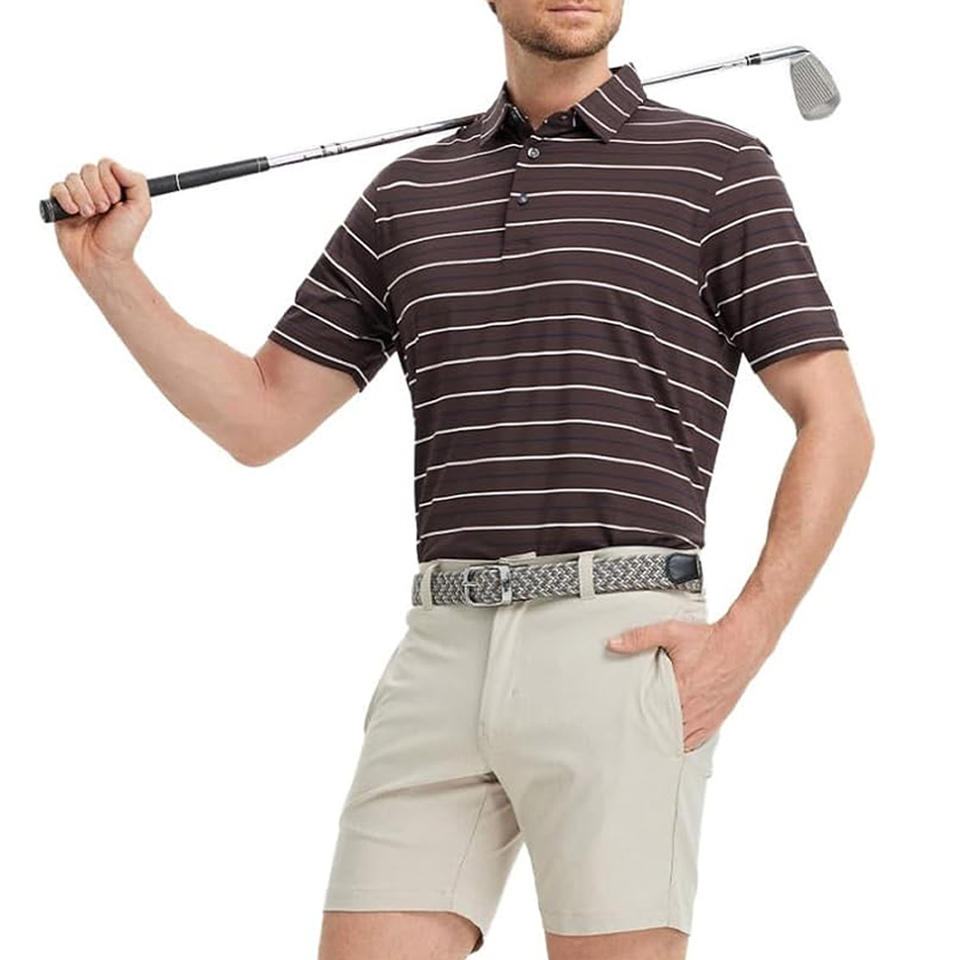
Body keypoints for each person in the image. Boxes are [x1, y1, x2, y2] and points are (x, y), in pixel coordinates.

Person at [48, 1, 873, 957]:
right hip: (441, 649)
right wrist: (110, 273)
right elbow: (259, 417)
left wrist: (746, 639)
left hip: (619, 647)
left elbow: (837, 423)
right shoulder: (409, 191)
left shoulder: (717, 166)